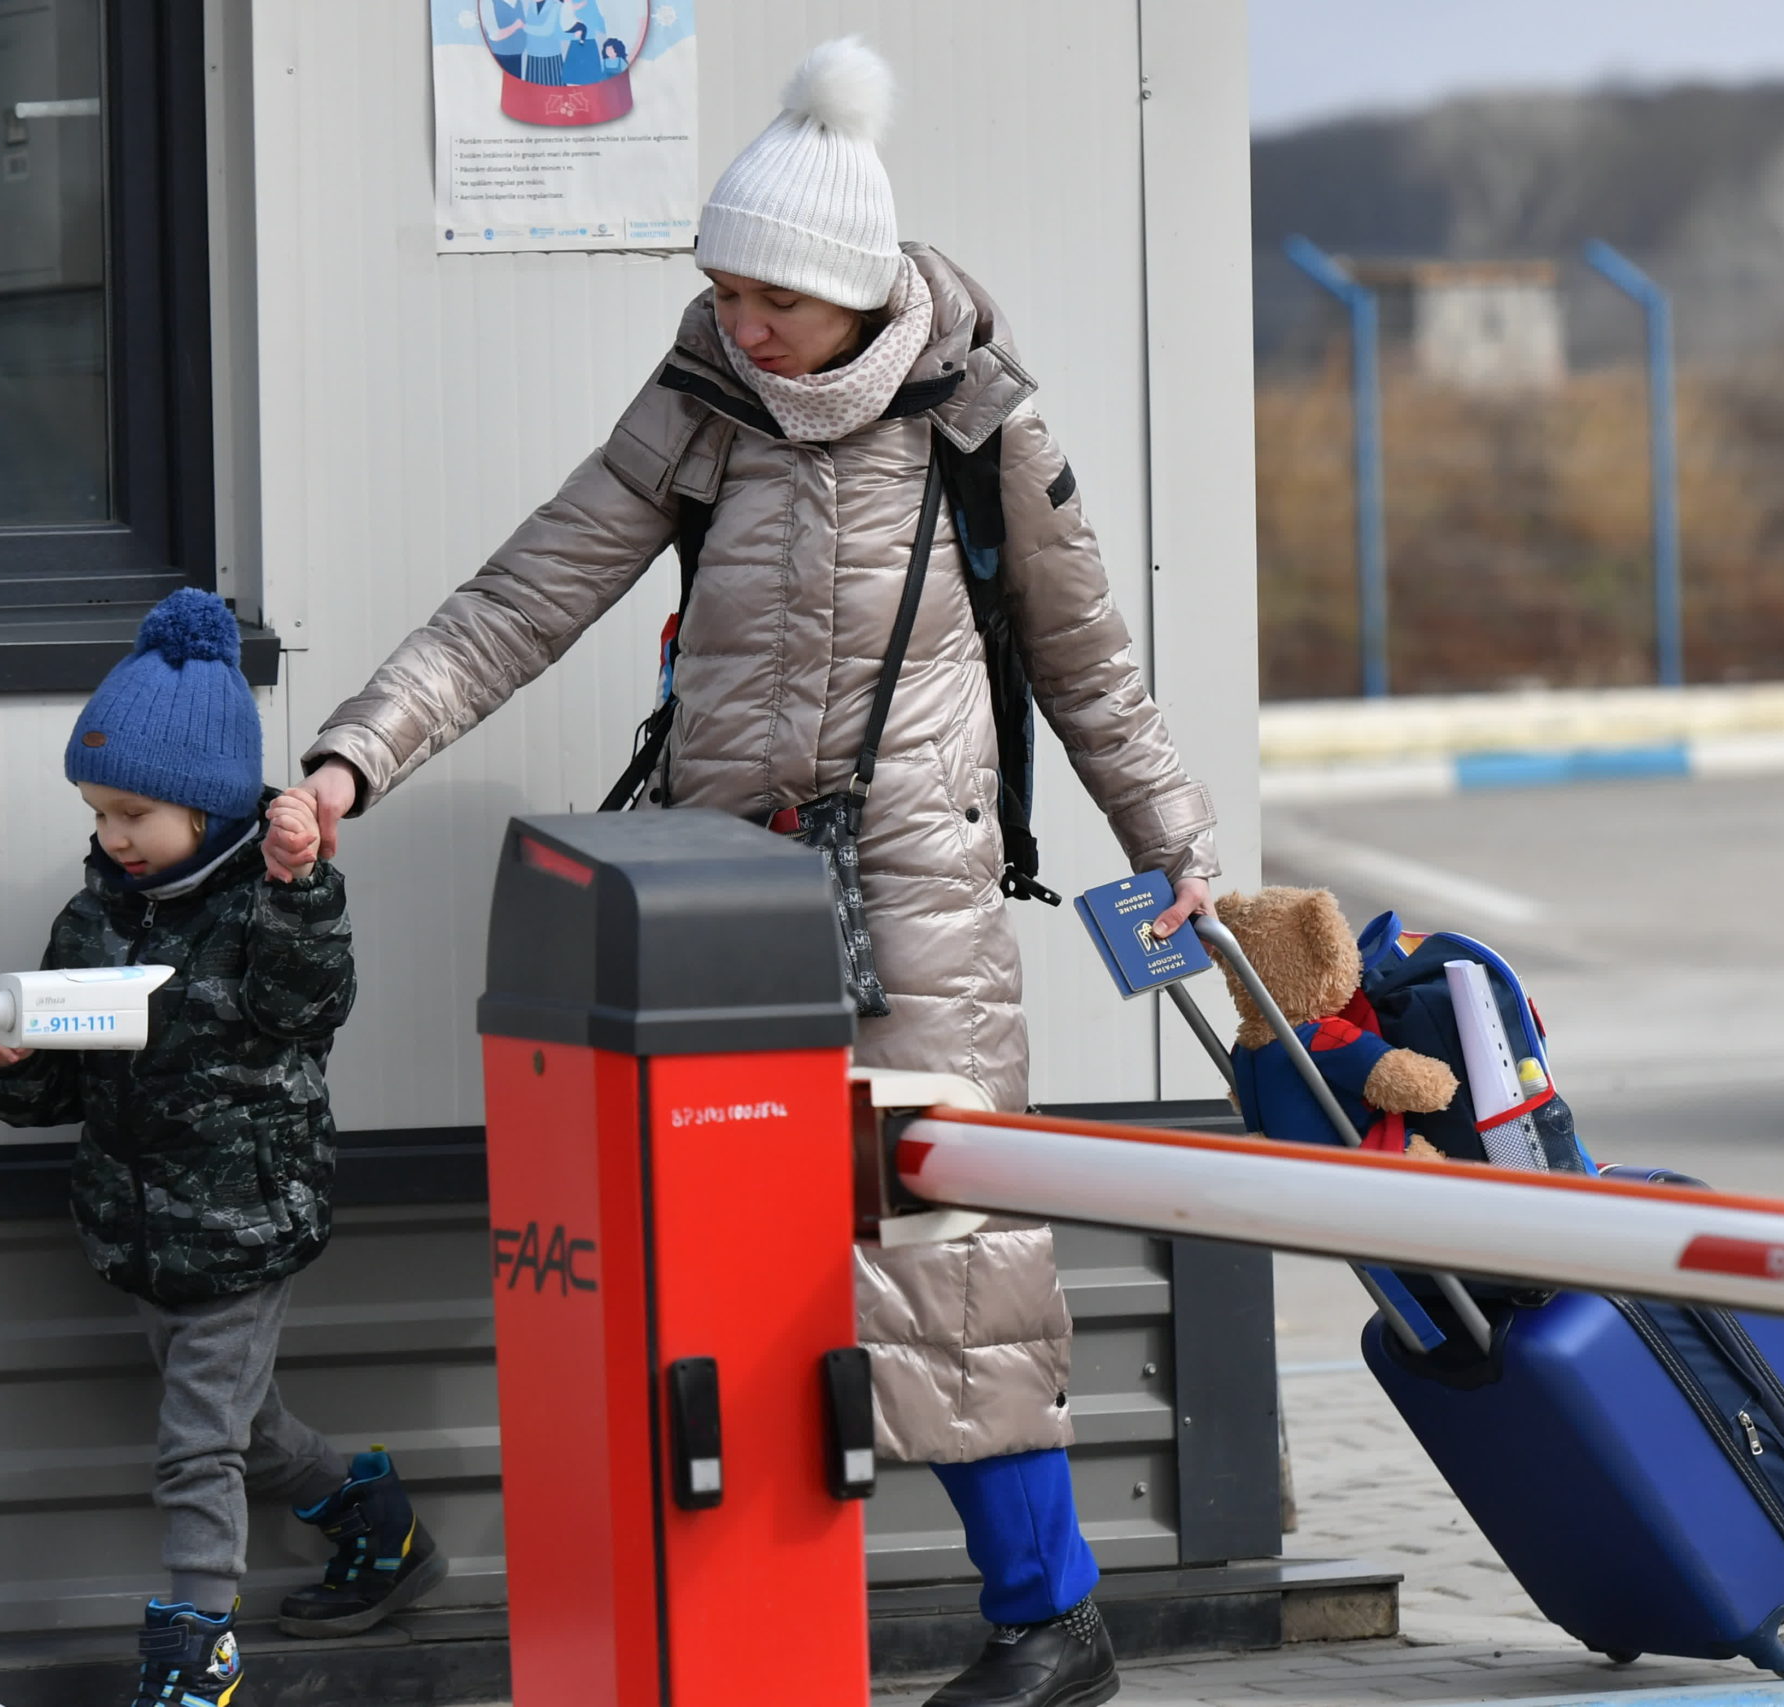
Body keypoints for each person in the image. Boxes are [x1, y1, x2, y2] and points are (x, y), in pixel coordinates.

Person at [296, 37, 1215, 1707]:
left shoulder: (980, 426)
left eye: (771, 293)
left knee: (949, 1255)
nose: (743, 318)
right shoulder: (701, 409)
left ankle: (1049, 1616)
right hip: (722, 903)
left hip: (914, 890)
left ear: (853, 289)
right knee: (726, 1264)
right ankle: (756, 1635)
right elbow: (527, 593)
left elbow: (1091, 673)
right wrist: (359, 750)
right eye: (723, 287)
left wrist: (1180, 858)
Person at [0, 589, 446, 1707]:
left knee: (196, 1448)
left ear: (207, 804)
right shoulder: (94, 921)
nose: (110, 834)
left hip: (243, 1223)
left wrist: (299, 892)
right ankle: (377, 1517)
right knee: (248, 1428)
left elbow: (308, 1003)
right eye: (98, 811)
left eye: (133, 810)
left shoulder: (262, 915)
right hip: (139, 1226)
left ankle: (196, 1651)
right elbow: (61, 1088)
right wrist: (12, 1064)